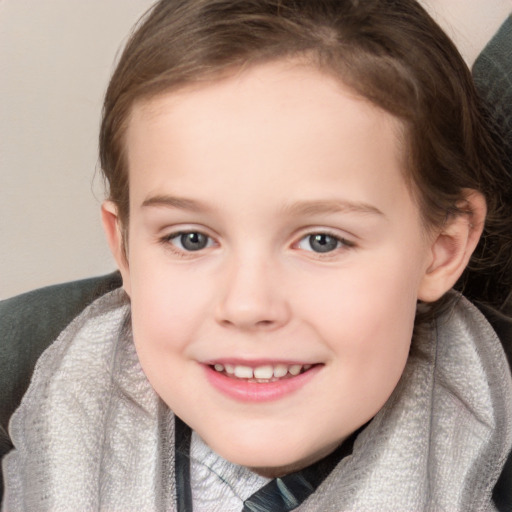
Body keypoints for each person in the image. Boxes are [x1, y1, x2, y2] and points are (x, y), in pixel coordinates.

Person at [2, 0, 512, 510]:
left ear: (442, 250)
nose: (247, 305)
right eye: (191, 239)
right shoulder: (24, 393)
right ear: (126, 250)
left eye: (322, 241)